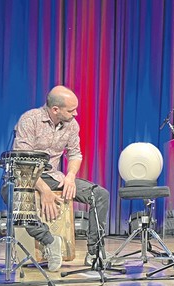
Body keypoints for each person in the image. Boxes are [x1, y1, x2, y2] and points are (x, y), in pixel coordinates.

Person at [7, 85, 122, 271]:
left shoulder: (71, 125)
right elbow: (23, 163)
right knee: (16, 199)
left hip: (53, 175)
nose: (76, 113)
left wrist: (70, 176)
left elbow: (75, 154)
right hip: (24, 177)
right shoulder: (30, 120)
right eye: (71, 110)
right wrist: (44, 191)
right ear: (55, 110)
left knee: (100, 195)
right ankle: (50, 241)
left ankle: (94, 252)